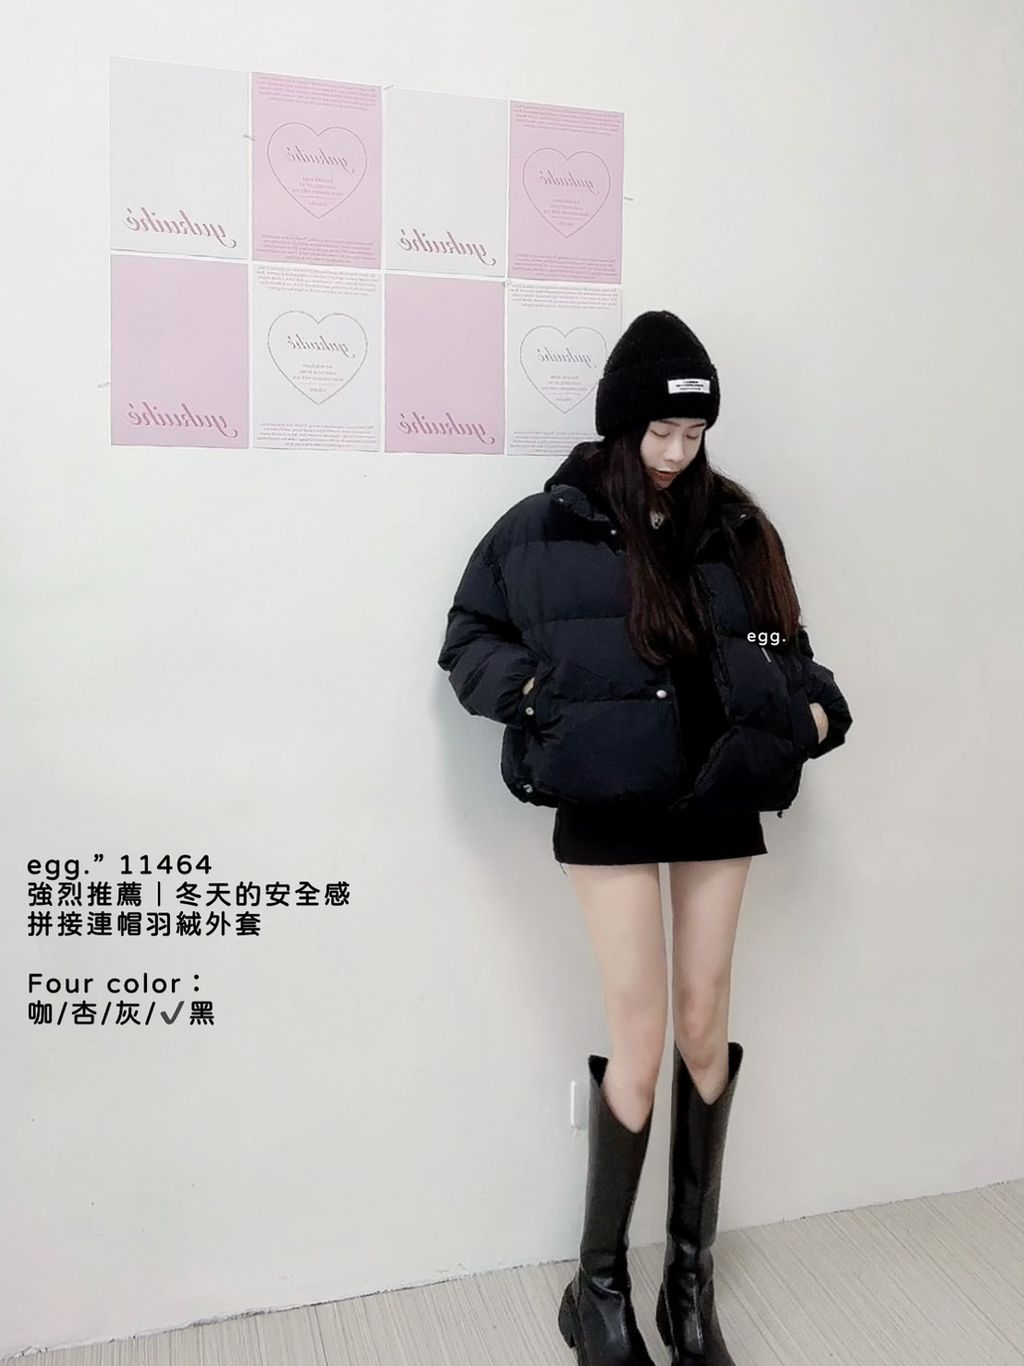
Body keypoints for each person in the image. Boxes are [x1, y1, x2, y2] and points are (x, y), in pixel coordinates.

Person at [437, 309, 853, 1366]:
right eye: (660, 432)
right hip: (609, 798)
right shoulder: (543, 527)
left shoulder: (738, 526)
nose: (676, 451)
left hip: (717, 795)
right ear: (620, 426)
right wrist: (539, 697)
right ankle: (601, 1291)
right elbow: (469, 637)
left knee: (704, 1027)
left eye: (693, 433)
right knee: (637, 1036)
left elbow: (786, 646)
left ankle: (689, 1290)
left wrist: (813, 711)